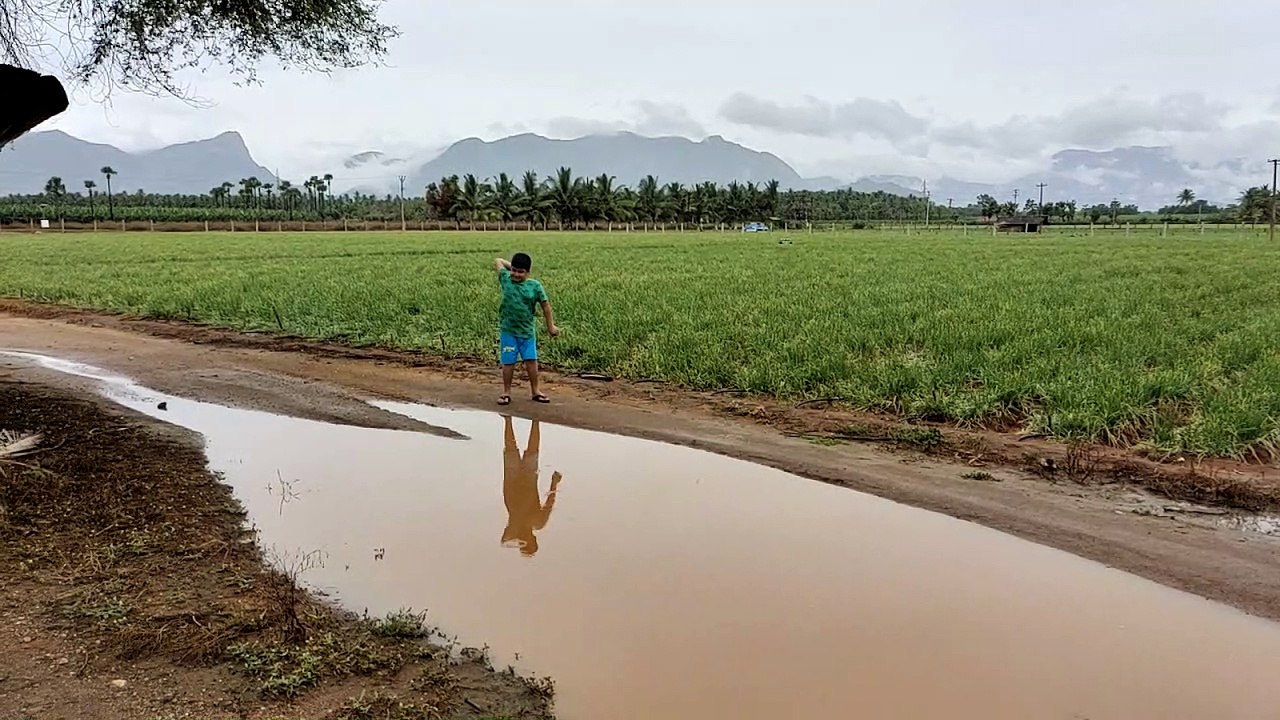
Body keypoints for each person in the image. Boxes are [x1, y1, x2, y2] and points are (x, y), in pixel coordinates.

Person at [494, 252, 559, 405]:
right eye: (514, 270)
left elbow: (546, 307)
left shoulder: (535, 286)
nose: (516, 274)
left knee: (531, 361)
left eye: (521, 271)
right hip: (508, 331)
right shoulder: (506, 279)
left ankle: (535, 391)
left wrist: (551, 326)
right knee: (508, 362)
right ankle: (506, 392)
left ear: (528, 273)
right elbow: (498, 260)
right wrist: (512, 267)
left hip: (527, 332)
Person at [501, 416, 562, 557]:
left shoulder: (515, 528)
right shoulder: (536, 523)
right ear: (533, 538)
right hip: (526, 483)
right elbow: (549, 502)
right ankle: (534, 422)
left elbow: (503, 541)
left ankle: (510, 421)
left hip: (512, 486)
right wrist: (554, 482)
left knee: (514, 450)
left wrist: (518, 540)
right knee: (530, 451)